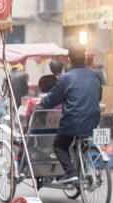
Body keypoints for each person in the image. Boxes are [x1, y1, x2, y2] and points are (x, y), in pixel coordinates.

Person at [40, 43, 102, 183]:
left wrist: (42, 103)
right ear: (85, 58)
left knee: (59, 145)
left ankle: (70, 172)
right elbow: (98, 96)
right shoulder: (95, 76)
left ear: (69, 59)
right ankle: (83, 171)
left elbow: (53, 99)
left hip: (73, 122)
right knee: (84, 141)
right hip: (93, 120)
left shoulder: (66, 78)